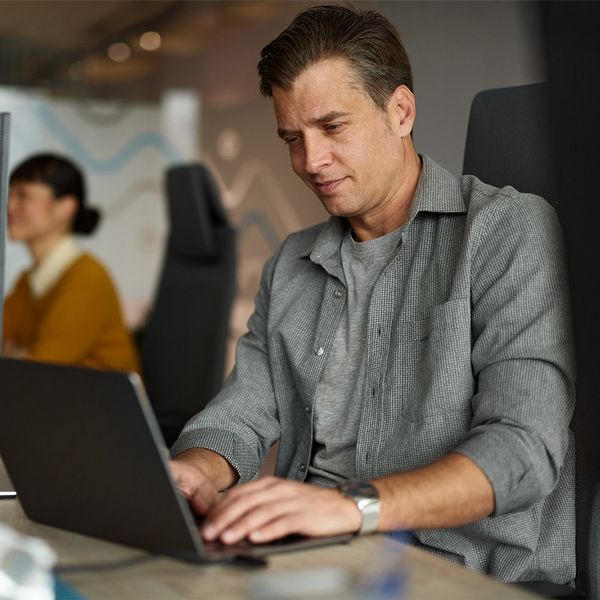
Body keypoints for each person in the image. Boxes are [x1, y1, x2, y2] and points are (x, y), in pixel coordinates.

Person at [170, 5, 575, 584]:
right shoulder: (293, 262)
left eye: (333, 128)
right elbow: (242, 414)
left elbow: (523, 449)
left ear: (401, 111)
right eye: (293, 138)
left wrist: (348, 508)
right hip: (311, 557)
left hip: (451, 566)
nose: (311, 162)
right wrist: (194, 471)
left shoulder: (508, 232)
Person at [3, 153, 140, 373]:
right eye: (10, 193)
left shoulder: (87, 278)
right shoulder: (27, 282)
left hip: (100, 405)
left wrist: (19, 356)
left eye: (23, 195)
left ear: (65, 207)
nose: (9, 205)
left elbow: (37, 369)